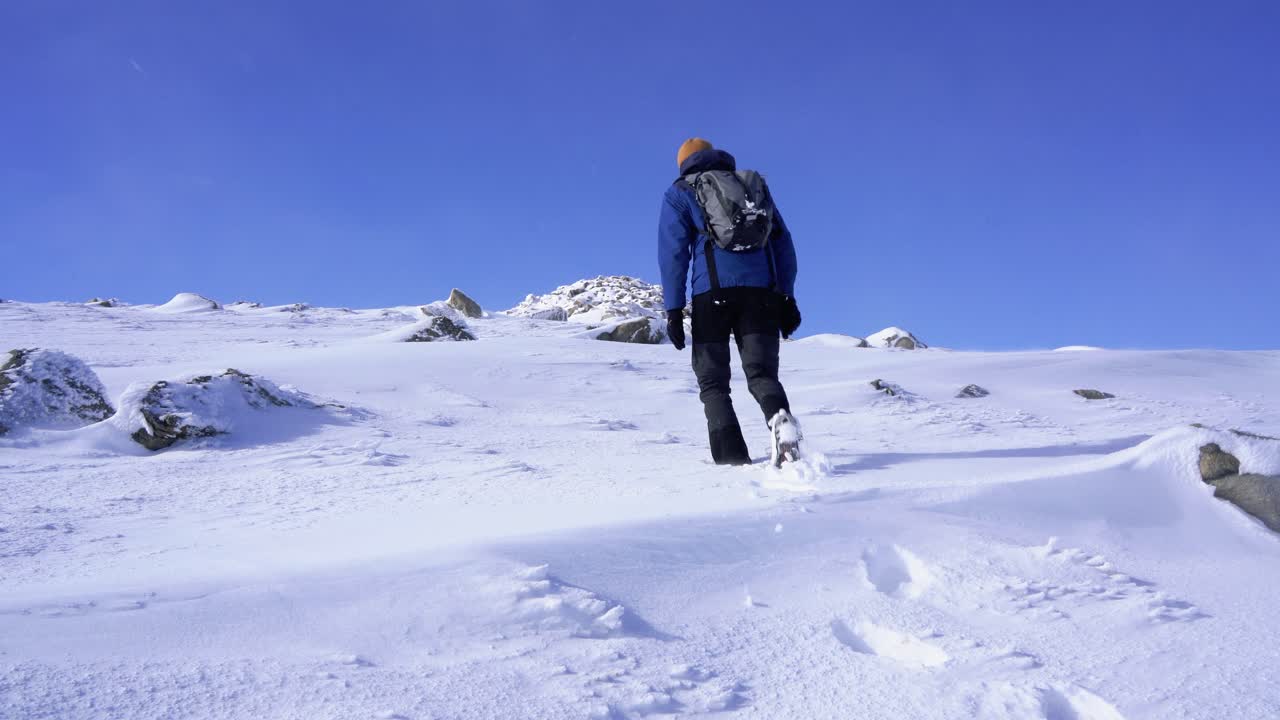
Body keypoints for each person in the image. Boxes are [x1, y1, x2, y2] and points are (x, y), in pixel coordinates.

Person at [657, 138, 803, 466]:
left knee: (713, 382)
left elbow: (673, 254)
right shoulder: (752, 187)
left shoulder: (681, 191)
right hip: (762, 296)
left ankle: (731, 463)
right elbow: (782, 243)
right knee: (762, 374)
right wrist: (786, 296)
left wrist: (674, 309)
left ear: (684, 163)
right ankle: (783, 424)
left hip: (712, 296)